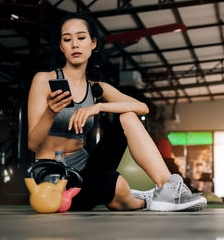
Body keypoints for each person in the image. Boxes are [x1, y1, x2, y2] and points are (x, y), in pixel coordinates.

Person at [27, 13, 207, 211]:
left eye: (81, 38)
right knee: (118, 187)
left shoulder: (96, 88)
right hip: (54, 177)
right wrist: (50, 113)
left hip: (86, 168)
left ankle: (167, 188)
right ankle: (145, 200)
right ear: (61, 47)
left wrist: (100, 106)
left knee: (128, 116)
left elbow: (142, 108)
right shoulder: (43, 80)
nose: (75, 45)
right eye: (67, 39)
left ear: (93, 43)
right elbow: (33, 144)